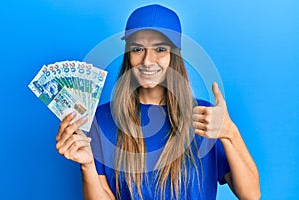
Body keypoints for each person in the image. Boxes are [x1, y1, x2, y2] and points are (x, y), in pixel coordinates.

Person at [55, 4, 261, 200]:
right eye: (138, 49)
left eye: (160, 49)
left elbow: (251, 195)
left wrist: (229, 133)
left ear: (174, 55)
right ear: (128, 54)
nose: (147, 61)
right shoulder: (102, 119)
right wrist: (88, 166)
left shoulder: (206, 117)